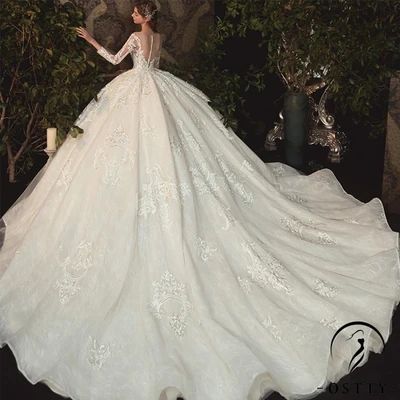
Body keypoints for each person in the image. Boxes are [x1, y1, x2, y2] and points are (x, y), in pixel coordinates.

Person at [0, 1, 399, 400]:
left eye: (136, 14)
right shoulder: (155, 38)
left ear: (142, 16)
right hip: (159, 92)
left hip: (136, 95)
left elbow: (114, 57)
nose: (134, 19)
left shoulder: (136, 41)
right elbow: (151, 65)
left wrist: (90, 40)